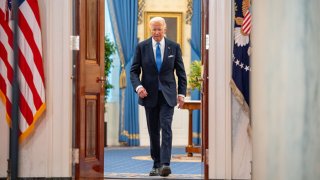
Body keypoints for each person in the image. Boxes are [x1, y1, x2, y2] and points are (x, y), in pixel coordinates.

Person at [130, 17, 187, 177]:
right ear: (150, 29)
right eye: (153, 29)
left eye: (159, 29)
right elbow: (134, 71)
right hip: (149, 95)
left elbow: (181, 73)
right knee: (153, 130)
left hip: (168, 95)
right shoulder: (142, 47)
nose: (156, 32)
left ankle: (165, 164)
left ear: (164, 29)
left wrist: (181, 94)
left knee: (166, 127)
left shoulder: (174, 47)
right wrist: (139, 87)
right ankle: (156, 164)